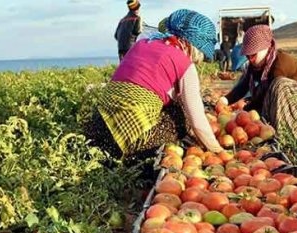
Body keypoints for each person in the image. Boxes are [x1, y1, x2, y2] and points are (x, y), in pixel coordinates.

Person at [85, 9, 223, 163]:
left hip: (98, 128)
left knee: (168, 102)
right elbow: (197, 121)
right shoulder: (184, 63)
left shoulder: (141, 44)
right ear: (193, 45)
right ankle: (137, 156)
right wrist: (218, 151)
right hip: (129, 141)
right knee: (182, 114)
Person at [215, 24, 297, 137]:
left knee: (279, 85)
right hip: (290, 96)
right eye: (248, 56)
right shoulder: (256, 65)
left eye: (253, 55)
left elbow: (265, 94)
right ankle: (270, 129)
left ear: (266, 48)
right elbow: (243, 86)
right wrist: (225, 100)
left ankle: (289, 134)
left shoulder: (280, 63)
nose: (250, 59)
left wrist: (242, 113)